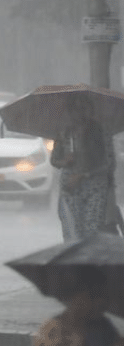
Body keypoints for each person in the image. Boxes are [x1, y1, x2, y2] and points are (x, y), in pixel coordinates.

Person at [52, 94, 120, 241]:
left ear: (90, 110)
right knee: (72, 232)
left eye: (84, 108)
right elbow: (54, 160)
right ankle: (74, 262)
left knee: (91, 231)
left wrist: (83, 175)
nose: (80, 112)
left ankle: (87, 261)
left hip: (94, 188)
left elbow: (109, 164)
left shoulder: (101, 132)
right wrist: (65, 160)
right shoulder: (64, 132)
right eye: (75, 108)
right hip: (70, 188)